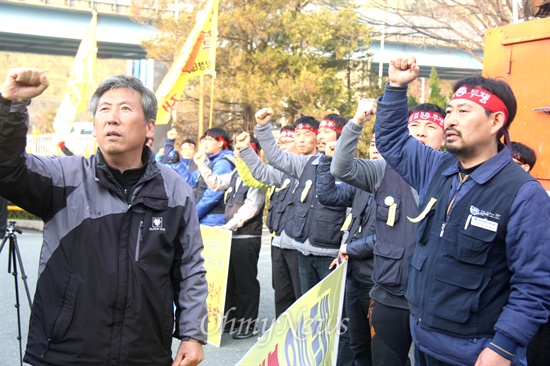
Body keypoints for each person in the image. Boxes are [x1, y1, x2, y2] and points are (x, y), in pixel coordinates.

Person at [0, 68, 208, 366]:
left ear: (150, 128)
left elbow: (189, 267)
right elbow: (7, 169)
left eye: (125, 109)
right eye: (104, 110)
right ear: (95, 125)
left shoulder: (174, 188)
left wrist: (192, 334)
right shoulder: (64, 177)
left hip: (144, 353)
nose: (112, 117)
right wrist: (10, 107)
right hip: (65, 353)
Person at [373, 56, 550, 366]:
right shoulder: (436, 167)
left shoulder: (523, 194)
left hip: (477, 354)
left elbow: (535, 284)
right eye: (449, 111)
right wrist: (397, 88)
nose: (450, 120)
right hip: (424, 342)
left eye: (463, 111)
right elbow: (392, 141)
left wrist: (503, 349)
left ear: (496, 122)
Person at [332, 102, 445, 366]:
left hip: (436, 299)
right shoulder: (384, 169)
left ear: (444, 134)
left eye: (431, 127)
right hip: (389, 294)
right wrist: (357, 122)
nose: (421, 133)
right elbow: (341, 168)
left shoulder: (455, 172)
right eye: (414, 126)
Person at [194, 135, 266, 340]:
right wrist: (202, 166)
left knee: (246, 283)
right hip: (229, 237)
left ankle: (247, 325)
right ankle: (232, 320)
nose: (236, 152)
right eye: (236, 149)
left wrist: (229, 225)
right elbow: (216, 184)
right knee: (230, 281)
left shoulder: (257, 174)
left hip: (246, 236)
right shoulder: (236, 172)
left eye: (242, 149)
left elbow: (251, 207)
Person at [237, 123, 308, 318]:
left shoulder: (310, 169)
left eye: (287, 141)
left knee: (300, 295)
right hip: (278, 240)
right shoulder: (279, 172)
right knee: (281, 293)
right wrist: (243, 153)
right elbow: (255, 177)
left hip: (298, 244)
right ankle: (281, 338)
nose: (281, 146)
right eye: (280, 142)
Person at [317, 139, 377, 366]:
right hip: (354, 276)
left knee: (383, 351)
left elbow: (392, 238)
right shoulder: (362, 181)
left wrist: (350, 249)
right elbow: (328, 196)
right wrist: (327, 159)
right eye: (372, 143)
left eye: (382, 144)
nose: (376, 148)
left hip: (381, 282)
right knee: (357, 346)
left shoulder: (403, 184)